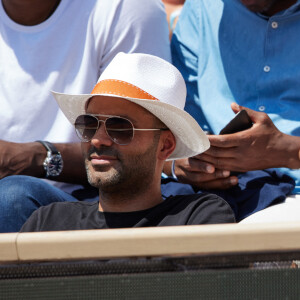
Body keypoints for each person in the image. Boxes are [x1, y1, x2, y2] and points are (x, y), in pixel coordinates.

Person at [0, 0, 171, 232]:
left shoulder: (125, 7)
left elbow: (145, 153)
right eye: (88, 125)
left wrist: (36, 157)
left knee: (12, 197)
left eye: (116, 126)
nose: (99, 137)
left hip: (97, 199)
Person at [20, 52, 235, 232]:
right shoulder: (49, 221)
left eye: (120, 128)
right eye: (88, 124)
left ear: (165, 145)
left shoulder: (197, 218)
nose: (98, 139)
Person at [168, 0, 300, 221]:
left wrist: (288, 152)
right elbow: (174, 123)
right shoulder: (203, 7)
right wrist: (175, 163)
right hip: (207, 195)